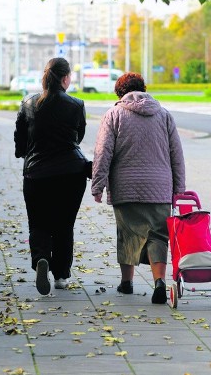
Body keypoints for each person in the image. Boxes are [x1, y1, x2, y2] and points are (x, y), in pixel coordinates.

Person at [91, 72, 186, 304]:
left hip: (126, 186)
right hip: (160, 187)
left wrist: (98, 185)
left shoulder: (114, 115)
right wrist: (179, 188)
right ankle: (159, 282)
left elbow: (103, 153)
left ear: (119, 93)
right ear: (143, 88)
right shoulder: (164, 115)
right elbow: (177, 154)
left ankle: (127, 283)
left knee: (128, 234)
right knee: (158, 236)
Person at [14, 57, 90, 295]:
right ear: (66, 78)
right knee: (65, 225)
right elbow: (78, 137)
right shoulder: (76, 104)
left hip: (37, 173)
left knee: (38, 222)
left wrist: (26, 153)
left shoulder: (29, 102)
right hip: (71, 174)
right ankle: (61, 276)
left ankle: (41, 260)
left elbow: (20, 139)